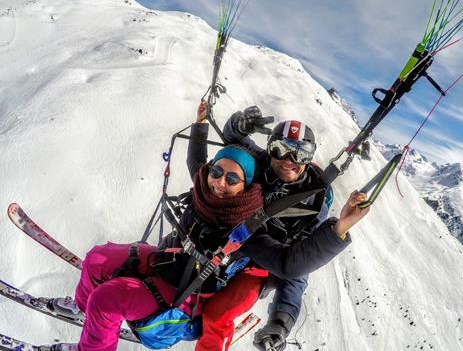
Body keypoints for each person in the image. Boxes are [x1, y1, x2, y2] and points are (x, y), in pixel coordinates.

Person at [48, 138, 369, 351]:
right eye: (217, 173)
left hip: (198, 285)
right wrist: (204, 123)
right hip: (171, 260)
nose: (220, 182)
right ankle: (83, 308)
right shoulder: (206, 189)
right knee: (99, 258)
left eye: (232, 180)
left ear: (246, 186)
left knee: (113, 299)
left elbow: (291, 268)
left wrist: (339, 227)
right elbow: (202, 160)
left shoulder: (251, 225)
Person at [191, 101, 343, 351]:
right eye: (281, 149)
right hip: (227, 244)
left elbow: (297, 265)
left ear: (309, 157)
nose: (288, 160)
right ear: (270, 148)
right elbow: (234, 138)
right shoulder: (263, 162)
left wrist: (280, 322)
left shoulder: (313, 203)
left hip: (261, 266)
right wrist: (241, 123)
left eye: (300, 153)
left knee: (216, 316)